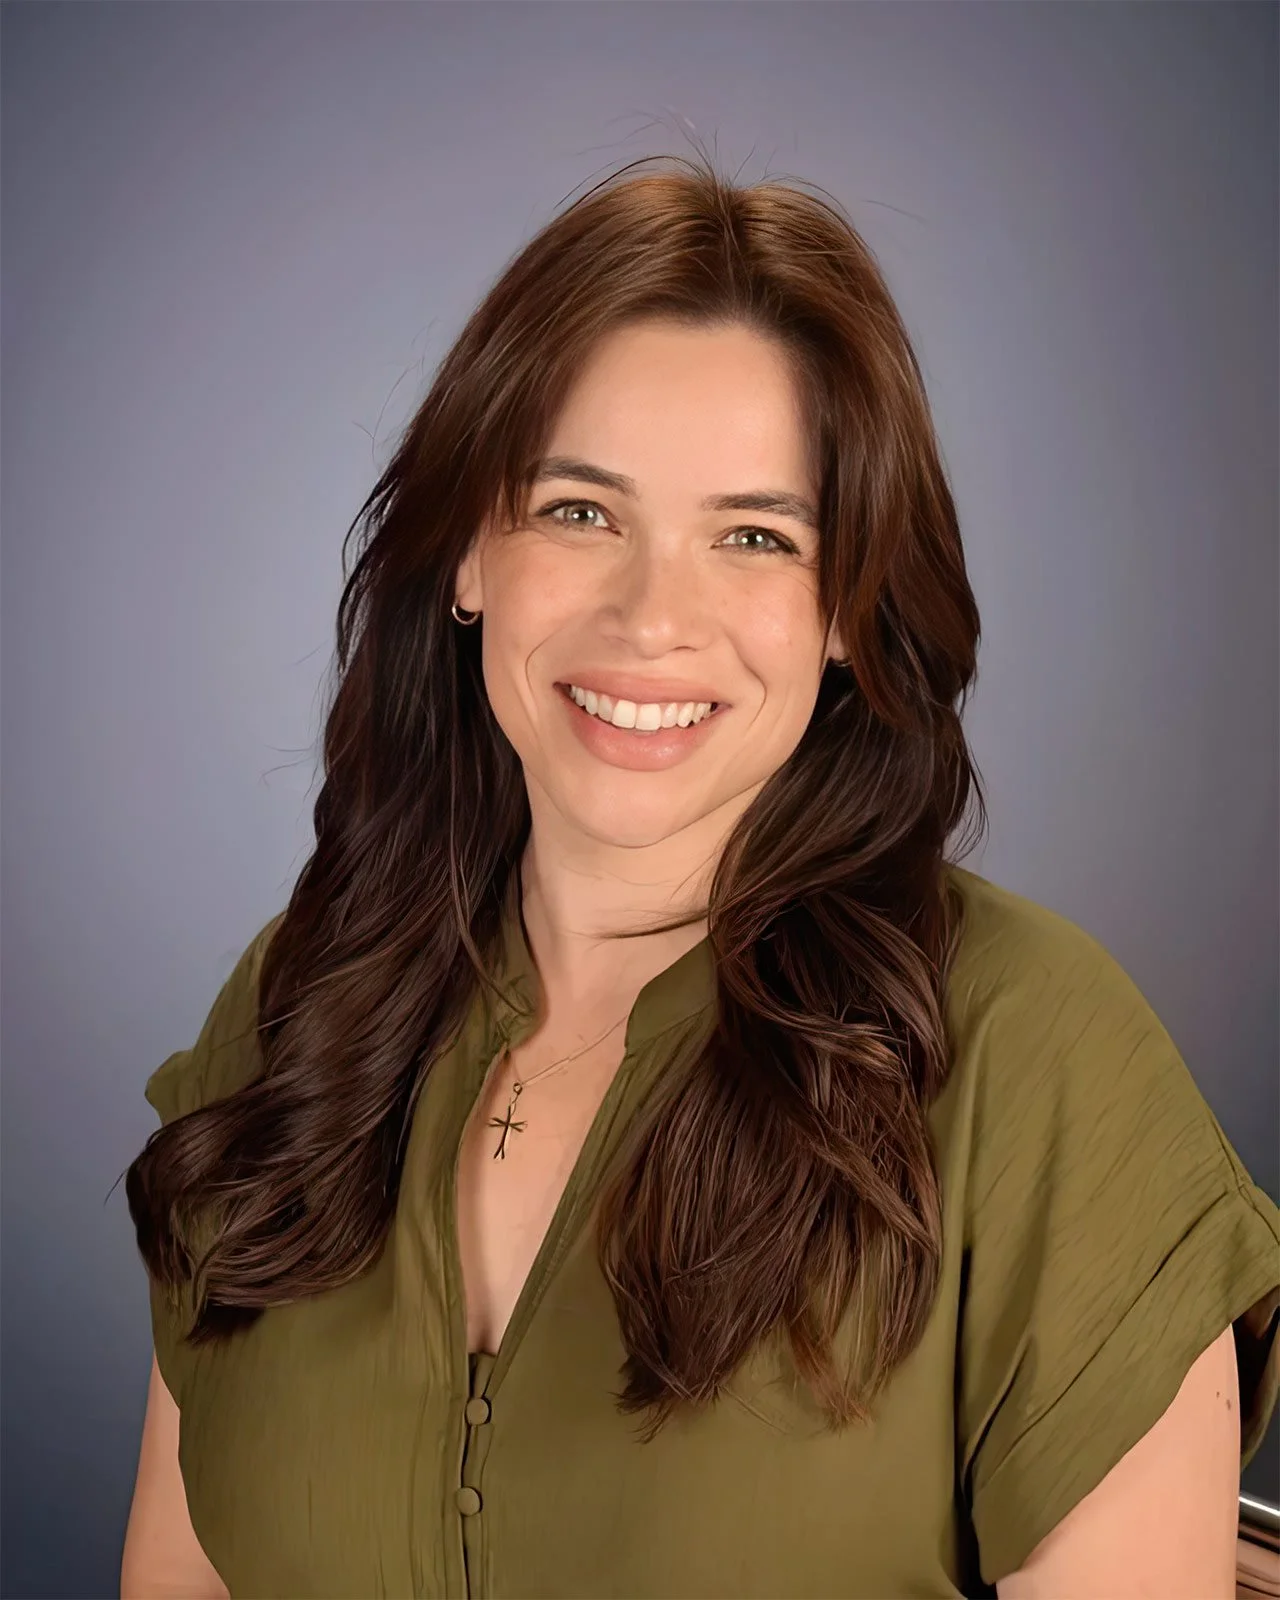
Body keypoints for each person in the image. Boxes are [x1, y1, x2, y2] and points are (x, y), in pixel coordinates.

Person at [120, 152, 1280, 1600]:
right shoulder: (297, 1011)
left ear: (851, 608)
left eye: (753, 537)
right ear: (471, 553)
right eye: (578, 511)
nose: (652, 616)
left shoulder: (1041, 1061)